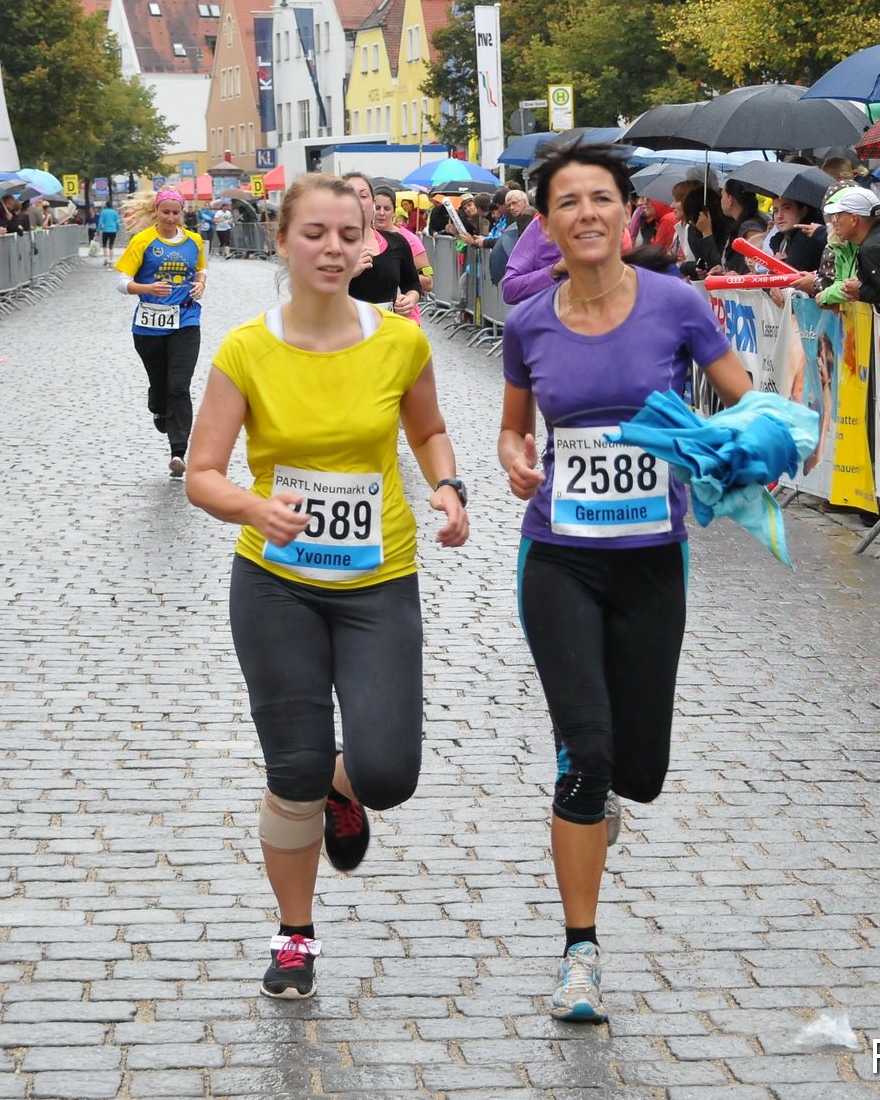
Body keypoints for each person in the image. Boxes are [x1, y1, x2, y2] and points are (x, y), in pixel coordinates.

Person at [184, 171, 469, 1000]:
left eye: (349, 233)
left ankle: (349, 787)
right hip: (275, 582)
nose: (333, 247)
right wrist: (252, 505)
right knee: (293, 764)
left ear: (370, 243)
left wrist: (449, 487)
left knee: (386, 772)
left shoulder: (399, 340)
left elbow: (429, 429)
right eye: (314, 233)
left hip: (379, 578)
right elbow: (202, 473)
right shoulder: (245, 349)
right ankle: (295, 933)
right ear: (281, 241)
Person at [497, 143, 753, 1023]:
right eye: (566, 202)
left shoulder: (677, 304)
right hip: (558, 558)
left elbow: (743, 400)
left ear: (627, 213)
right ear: (549, 223)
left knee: (637, 772)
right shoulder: (528, 321)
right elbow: (511, 431)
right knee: (587, 755)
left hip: (652, 558)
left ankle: (602, 785)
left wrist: (724, 439)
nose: (586, 214)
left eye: (600, 198)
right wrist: (515, 462)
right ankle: (579, 953)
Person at [113, 189, 208, 477]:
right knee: (159, 383)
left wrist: (201, 283)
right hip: (149, 324)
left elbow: (201, 270)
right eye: (165, 212)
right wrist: (147, 288)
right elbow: (121, 282)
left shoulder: (193, 241)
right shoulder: (143, 241)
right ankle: (157, 405)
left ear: (182, 214)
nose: (170, 217)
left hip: (186, 319)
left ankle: (178, 452)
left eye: (175, 213)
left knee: (179, 385)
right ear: (157, 212)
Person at [342, 173, 420, 318]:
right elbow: (314, 296)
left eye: (363, 196)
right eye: (350, 194)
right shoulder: (329, 247)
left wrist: (409, 300)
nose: (357, 201)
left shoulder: (397, 242)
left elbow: (412, 284)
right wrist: (347, 274)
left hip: (386, 331)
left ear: (372, 202)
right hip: (346, 331)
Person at [373, 186, 432, 297]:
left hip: (404, 310)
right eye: (377, 208)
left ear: (394, 212)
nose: (381, 213)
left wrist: (394, 272)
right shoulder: (362, 237)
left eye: (386, 209)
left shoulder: (409, 239)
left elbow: (428, 283)